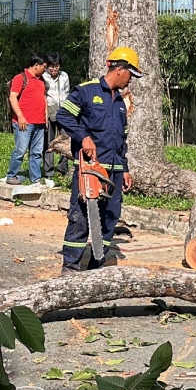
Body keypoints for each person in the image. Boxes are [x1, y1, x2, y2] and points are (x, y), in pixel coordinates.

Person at [55, 46, 143, 272]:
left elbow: (121, 141)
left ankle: (96, 267)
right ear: (121, 70)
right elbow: (63, 115)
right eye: (131, 75)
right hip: (91, 171)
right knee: (81, 218)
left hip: (113, 173)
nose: (131, 80)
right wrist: (83, 137)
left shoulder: (121, 104)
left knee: (110, 219)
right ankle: (70, 268)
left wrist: (124, 169)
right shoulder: (86, 91)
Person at [4, 54, 48, 186]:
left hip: (39, 122)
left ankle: (35, 178)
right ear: (36, 65)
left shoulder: (41, 81)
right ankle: (11, 175)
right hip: (24, 122)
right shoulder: (20, 78)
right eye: (44, 67)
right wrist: (20, 116)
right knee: (20, 150)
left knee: (36, 152)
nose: (45, 69)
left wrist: (45, 116)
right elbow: (13, 98)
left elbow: (43, 98)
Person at [43, 53, 71, 179]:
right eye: (52, 66)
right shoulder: (43, 77)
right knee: (49, 142)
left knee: (66, 139)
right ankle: (48, 171)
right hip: (49, 112)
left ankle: (62, 167)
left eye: (57, 66)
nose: (54, 69)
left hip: (63, 112)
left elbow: (67, 92)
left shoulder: (64, 76)